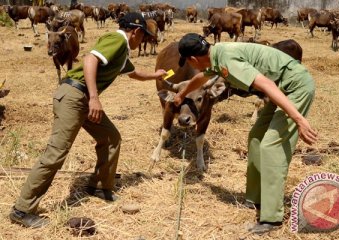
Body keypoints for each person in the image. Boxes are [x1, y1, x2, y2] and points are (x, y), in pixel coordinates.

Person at [9, 12, 167, 228]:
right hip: (75, 97)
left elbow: (133, 72)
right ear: (136, 32)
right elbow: (90, 59)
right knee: (56, 153)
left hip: (80, 98)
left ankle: (100, 186)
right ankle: (22, 210)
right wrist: (94, 98)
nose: (144, 40)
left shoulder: (122, 51)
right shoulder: (117, 40)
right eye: (144, 36)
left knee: (111, 137)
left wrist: (156, 75)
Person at [174, 33, 317, 234]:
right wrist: (181, 94)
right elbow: (201, 77)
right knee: (256, 137)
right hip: (282, 88)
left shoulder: (227, 59)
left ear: (193, 59)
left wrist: (299, 119)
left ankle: (272, 218)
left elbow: (267, 85)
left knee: (271, 146)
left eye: (187, 61)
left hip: (295, 87)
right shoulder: (216, 55)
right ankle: (257, 198)